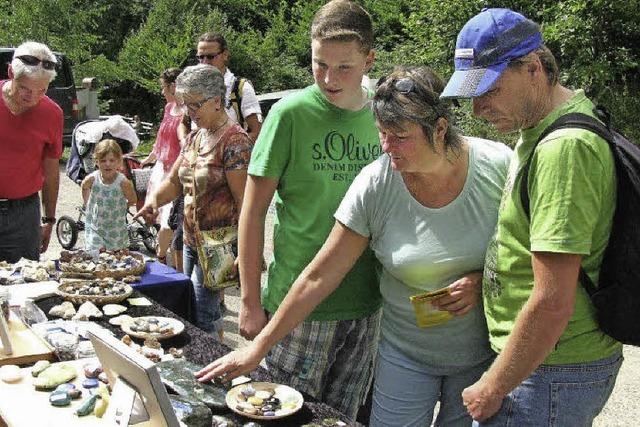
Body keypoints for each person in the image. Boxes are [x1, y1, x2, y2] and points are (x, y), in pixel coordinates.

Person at [196, 66, 512, 426]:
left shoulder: (499, 166)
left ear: (440, 130)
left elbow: (528, 259)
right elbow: (320, 275)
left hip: (481, 354)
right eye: (381, 134)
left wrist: (483, 281)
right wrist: (258, 347)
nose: (386, 147)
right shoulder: (376, 182)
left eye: (400, 136)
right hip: (405, 354)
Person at [440, 8, 623, 425]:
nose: (479, 108)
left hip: (550, 370)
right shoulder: (539, 127)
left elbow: (553, 301)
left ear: (534, 68)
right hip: (541, 363)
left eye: (490, 89)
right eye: (472, 93)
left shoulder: (564, 148)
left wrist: (494, 385)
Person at [200, 1, 378, 419]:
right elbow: (253, 210)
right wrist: (248, 299)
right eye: (320, 65)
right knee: (278, 410)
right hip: (296, 307)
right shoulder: (290, 114)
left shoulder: (382, 114)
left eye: (345, 67)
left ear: (369, 59)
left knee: (340, 417)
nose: (330, 79)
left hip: (368, 304)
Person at [135, 64, 252, 340]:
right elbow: (175, 182)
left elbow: (247, 203)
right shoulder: (194, 137)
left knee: (204, 315)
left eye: (194, 105)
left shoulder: (235, 142)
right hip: (190, 241)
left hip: (219, 246)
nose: (188, 113)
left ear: (215, 101)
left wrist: (245, 255)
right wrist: (153, 201)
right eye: (184, 105)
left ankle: (211, 373)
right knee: (196, 310)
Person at [0, 41, 63, 263]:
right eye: (25, 88)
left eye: (41, 90)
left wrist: (49, 218)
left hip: (24, 214)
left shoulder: (52, 113)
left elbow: (52, 171)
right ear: (10, 72)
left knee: (24, 284)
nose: (32, 97)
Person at [140, 68, 189, 264]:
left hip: (176, 171)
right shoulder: (169, 108)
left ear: (174, 86)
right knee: (161, 216)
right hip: (162, 168)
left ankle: (164, 258)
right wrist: (151, 157)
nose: (162, 92)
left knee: (171, 219)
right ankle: (162, 255)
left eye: (164, 87)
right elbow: (162, 137)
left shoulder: (188, 112)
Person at [196, 32, 262, 141]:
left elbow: (255, 131)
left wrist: (231, 151)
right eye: (200, 57)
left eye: (210, 57)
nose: (205, 62)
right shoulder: (194, 88)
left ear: (225, 55)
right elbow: (185, 122)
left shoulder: (240, 87)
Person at [81, 139, 137, 250]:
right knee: (96, 253)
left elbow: (133, 199)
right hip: (96, 226)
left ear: (119, 162)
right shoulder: (93, 179)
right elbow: (84, 186)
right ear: (96, 161)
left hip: (115, 228)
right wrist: (87, 203)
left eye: (112, 160)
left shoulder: (123, 182)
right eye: (103, 160)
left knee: (114, 257)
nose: (107, 164)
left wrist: (124, 206)